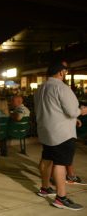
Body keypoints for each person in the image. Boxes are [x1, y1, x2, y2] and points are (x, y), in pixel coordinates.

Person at [34, 60, 87, 210]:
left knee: (47, 158)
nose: (65, 74)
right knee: (60, 163)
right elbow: (72, 110)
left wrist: (73, 117)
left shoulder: (40, 88)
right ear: (61, 72)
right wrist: (81, 111)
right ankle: (61, 198)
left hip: (46, 130)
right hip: (61, 133)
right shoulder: (62, 88)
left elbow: (50, 109)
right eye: (65, 72)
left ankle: (44, 188)